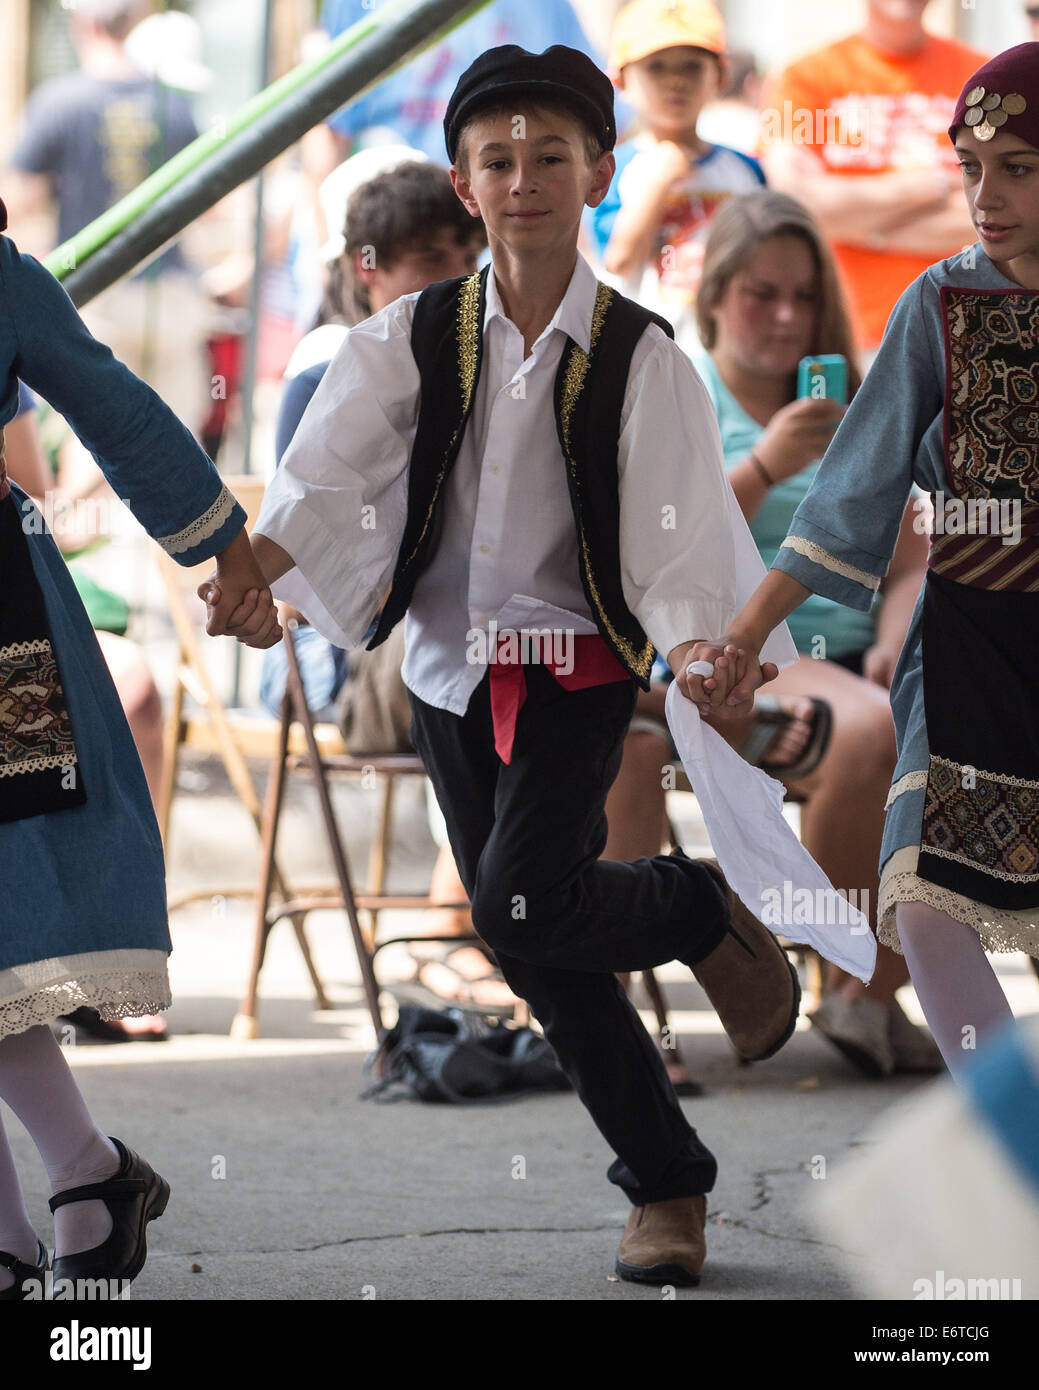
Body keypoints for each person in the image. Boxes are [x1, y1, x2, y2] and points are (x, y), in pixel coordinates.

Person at [243, 43, 806, 1289]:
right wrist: (260, 563)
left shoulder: (642, 354)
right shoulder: (409, 334)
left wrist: (707, 648)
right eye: (496, 159)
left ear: (599, 173)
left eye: (551, 155)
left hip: (577, 664)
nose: (524, 178)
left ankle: (691, 934)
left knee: (513, 906)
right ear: (463, 182)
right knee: (531, 933)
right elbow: (327, 471)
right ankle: (669, 1146)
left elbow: (678, 532)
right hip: (447, 664)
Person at [691, 42, 1039, 1086]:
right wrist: (745, 639)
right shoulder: (936, 303)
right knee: (928, 907)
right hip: (970, 637)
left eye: (1019, 166)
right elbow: (855, 492)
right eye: (969, 167)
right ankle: (1014, 1147)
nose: (985, 194)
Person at [0, 195, 277, 1298]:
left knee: (8, 923)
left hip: (3, 634)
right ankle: (80, 1180)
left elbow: (116, 408)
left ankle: (65, 1192)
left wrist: (226, 550)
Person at [606, 189, 939, 1082]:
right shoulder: (677, 387)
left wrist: (896, 641)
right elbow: (667, 545)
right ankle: (857, 980)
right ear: (714, 293)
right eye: (761, 293)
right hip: (732, 650)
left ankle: (868, 990)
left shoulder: (856, 391)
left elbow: (909, 558)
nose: (785, 317)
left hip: (847, 653)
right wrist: (765, 464)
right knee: (868, 729)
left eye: (801, 296)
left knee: (920, 713)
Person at [265, 152, 511, 1012]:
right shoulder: (333, 362)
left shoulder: (483, 351)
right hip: (349, 651)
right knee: (498, 655)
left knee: (553, 654)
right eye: (428, 259)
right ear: (366, 269)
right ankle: (463, 926)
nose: (454, 277)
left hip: (445, 627)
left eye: (464, 256)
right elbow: (313, 543)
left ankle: (510, 920)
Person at [4, 0, 212, 437]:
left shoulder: (59, 102)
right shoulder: (172, 105)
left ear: (83, 23)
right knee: (175, 441)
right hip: (169, 295)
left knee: (97, 443)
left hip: (94, 298)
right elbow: (207, 204)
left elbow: (18, 198)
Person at [759, 0, 986, 353]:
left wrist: (856, 224)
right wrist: (933, 185)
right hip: (843, 339)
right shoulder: (806, 76)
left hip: (965, 337)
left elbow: (997, 211)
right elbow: (795, 201)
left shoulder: (980, 76)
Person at [589, 0, 765, 353]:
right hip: (646, 353)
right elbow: (618, 259)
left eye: (691, 66)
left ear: (720, 76)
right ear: (621, 80)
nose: (676, 81)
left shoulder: (745, 169)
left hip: (732, 351)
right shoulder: (608, 170)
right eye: (656, 67)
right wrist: (657, 182)